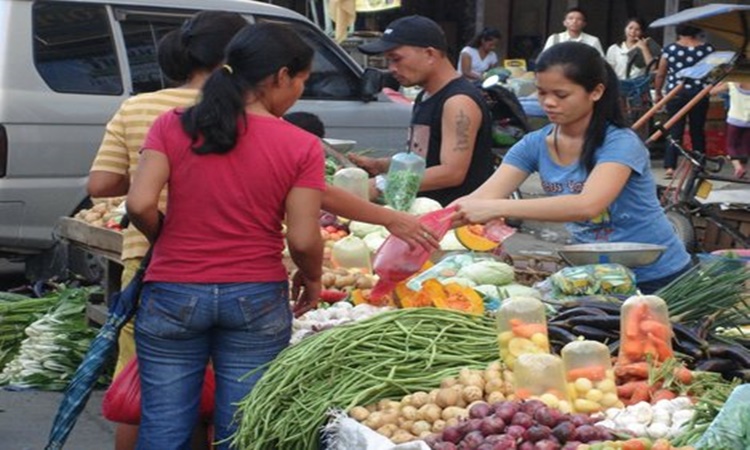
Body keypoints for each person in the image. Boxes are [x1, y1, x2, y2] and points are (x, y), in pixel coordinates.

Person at [125, 22, 321, 449]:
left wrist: (165, 236)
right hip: (255, 295)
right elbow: (303, 240)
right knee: (244, 428)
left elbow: (139, 203)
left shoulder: (171, 125)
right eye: (303, 82)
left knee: (163, 426)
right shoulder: (301, 145)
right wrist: (313, 277)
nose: (298, 93)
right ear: (282, 76)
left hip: (173, 289)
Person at [87, 11, 249, 450]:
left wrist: (149, 178)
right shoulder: (245, 111)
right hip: (236, 264)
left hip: (150, 258)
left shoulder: (138, 107)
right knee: (218, 388)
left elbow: (101, 185)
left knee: (144, 385)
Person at [452, 42, 691, 294]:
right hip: (597, 278)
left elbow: (587, 205)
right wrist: (426, 224)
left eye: (561, 95)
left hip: (660, 278)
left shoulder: (620, 142)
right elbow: (479, 198)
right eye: (542, 93)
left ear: (596, 92)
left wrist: (495, 208)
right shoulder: (533, 144)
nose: (548, 103)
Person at [351, 15, 495, 207]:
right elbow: (422, 160)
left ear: (429, 54)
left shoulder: (458, 102)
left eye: (396, 59)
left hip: (455, 221)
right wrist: (380, 165)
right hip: (422, 215)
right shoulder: (425, 95)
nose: (392, 69)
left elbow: (451, 172)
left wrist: (381, 184)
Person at [654, 25, 715, 179]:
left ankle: (670, 167)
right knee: (697, 130)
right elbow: (714, 71)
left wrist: (658, 93)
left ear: (678, 32)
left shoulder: (670, 50)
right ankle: (699, 164)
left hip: (676, 93)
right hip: (699, 93)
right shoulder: (707, 49)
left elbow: (661, 74)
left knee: (675, 130)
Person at [711, 82, 750, 179]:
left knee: (731, 145)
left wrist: (719, 83)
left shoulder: (731, 83)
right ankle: (743, 167)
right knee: (745, 146)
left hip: (734, 120)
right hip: (748, 121)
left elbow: (712, 92)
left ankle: (737, 167)